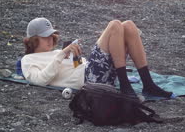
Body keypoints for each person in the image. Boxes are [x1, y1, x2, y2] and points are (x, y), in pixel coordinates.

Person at [21, 17, 173, 98]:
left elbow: (76, 66)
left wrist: (75, 57)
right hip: (90, 81)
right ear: (33, 40)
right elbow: (40, 81)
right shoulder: (28, 60)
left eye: (51, 36)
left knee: (128, 25)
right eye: (45, 37)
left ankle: (148, 84)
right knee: (114, 25)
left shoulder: (55, 53)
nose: (50, 39)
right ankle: (126, 87)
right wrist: (62, 54)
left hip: (97, 74)